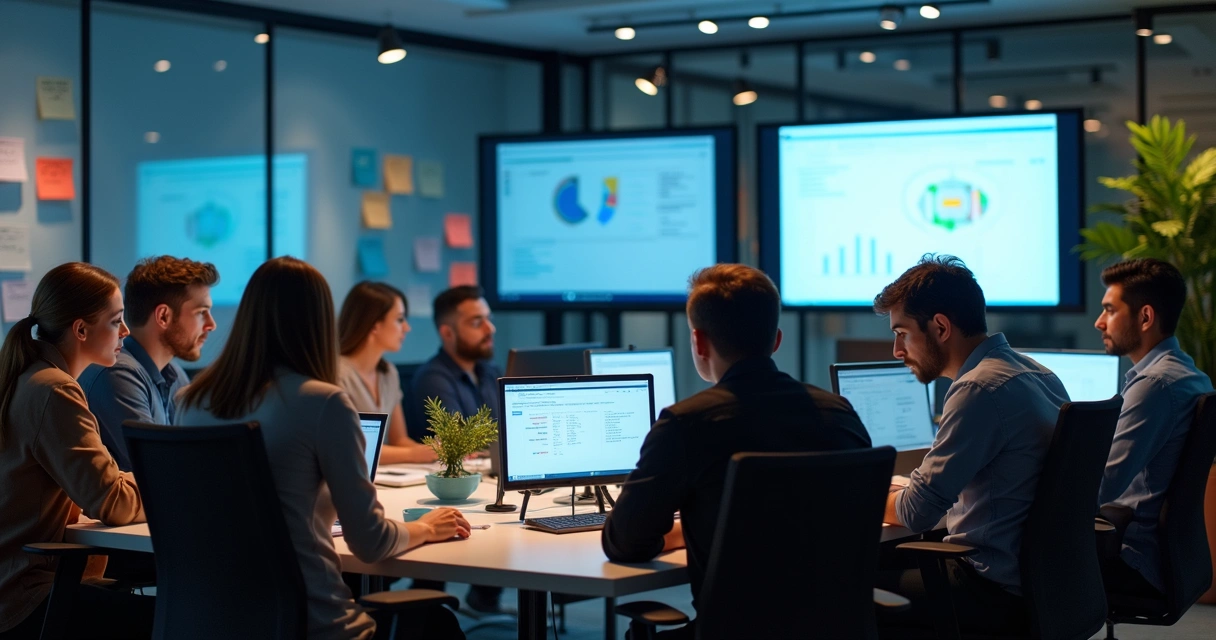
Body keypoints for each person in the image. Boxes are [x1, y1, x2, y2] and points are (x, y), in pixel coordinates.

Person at [175, 257, 468, 640]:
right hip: (314, 625)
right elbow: (370, 541)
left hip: (212, 621)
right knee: (439, 627)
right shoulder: (323, 403)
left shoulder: (189, 401)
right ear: (318, 322)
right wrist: (425, 528)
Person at [602, 264, 872, 639]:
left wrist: (682, 532)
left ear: (698, 342)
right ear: (776, 340)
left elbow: (625, 543)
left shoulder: (686, 425)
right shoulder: (840, 415)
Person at [874, 255, 1069, 635]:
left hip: (988, 588)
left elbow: (916, 512)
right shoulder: (1037, 373)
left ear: (941, 327)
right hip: (1043, 585)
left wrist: (863, 492)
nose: (897, 351)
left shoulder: (978, 389)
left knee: (839, 583)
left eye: (902, 333)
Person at [0, 262, 151, 640]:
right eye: (117, 322)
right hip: (29, 597)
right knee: (176, 615)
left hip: (17, 586)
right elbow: (110, 500)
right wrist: (172, 483)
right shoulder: (55, 391)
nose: (126, 332)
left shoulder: (28, 377)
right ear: (81, 330)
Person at [1093, 258, 1213, 596]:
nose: (1099, 322)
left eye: (1109, 311)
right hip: (1164, 555)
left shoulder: (1155, 386)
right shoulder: (1190, 375)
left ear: (1145, 317)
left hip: (1130, 557)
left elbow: (1101, 484)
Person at [408, 285, 504, 614]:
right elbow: (459, 442)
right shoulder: (433, 378)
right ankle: (427, 605)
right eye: (477, 322)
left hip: (480, 481)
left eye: (488, 320)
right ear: (447, 332)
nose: (489, 329)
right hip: (444, 490)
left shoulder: (489, 372)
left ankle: (483, 598)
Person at [80, 256, 218, 471]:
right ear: (163, 316)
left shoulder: (174, 373)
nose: (211, 324)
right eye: (201, 313)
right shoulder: (118, 373)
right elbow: (162, 468)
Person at [337, 281, 437, 464]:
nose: (407, 328)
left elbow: (399, 439)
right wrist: (413, 455)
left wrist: (435, 451)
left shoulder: (389, 373)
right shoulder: (336, 375)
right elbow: (350, 448)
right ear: (374, 324)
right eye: (399, 319)